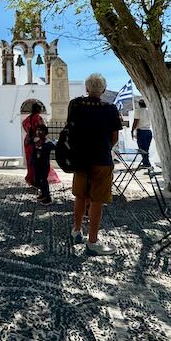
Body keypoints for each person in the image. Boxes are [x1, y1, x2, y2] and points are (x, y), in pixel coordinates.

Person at [68, 73, 123, 256]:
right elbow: (114, 137)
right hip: (101, 160)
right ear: (104, 90)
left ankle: (76, 230)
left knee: (80, 196)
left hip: (80, 159)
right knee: (97, 201)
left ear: (86, 88)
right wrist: (104, 147)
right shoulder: (111, 109)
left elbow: (71, 128)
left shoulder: (75, 105)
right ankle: (92, 242)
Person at [32, 124, 55, 205]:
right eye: (37, 130)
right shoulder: (35, 140)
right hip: (37, 164)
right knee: (38, 180)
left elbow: (52, 146)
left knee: (43, 180)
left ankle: (48, 197)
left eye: (41, 130)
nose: (38, 132)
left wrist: (43, 145)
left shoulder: (47, 142)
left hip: (44, 165)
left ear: (45, 133)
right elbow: (33, 152)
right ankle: (43, 194)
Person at [22, 103, 45, 188]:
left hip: (28, 141)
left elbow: (23, 124)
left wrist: (29, 132)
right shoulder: (38, 118)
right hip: (36, 141)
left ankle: (31, 179)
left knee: (30, 162)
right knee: (37, 162)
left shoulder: (28, 118)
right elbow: (42, 129)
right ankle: (36, 181)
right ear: (38, 109)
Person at [131, 98, 153, 168]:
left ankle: (146, 163)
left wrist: (132, 130)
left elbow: (136, 121)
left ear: (139, 104)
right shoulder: (149, 111)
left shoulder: (138, 111)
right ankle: (146, 162)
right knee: (146, 149)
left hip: (141, 132)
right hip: (148, 131)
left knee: (142, 149)